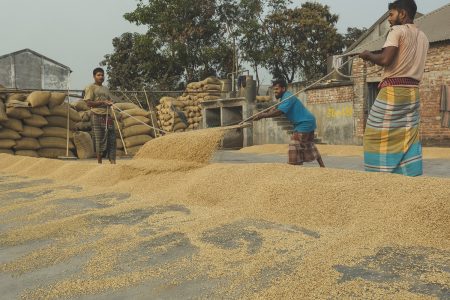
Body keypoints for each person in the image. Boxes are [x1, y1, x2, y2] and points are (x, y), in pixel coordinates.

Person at [359, 0, 429, 176]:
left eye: (391, 14)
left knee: (373, 136)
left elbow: (385, 60)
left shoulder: (396, 31)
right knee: (408, 136)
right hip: (413, 93)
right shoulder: (423, 37)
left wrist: (368, 55)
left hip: (392, 92)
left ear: (403, 14)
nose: (388, 19)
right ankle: (409, 175)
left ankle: (379, 175)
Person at [252, 79, 325, 168]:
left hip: (304, 123)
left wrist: (263, 115)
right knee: (309, 144)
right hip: (308, 121)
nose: (275, 92)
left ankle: (293, 169)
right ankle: (322, 166)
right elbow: (276, 109)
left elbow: (279, 112)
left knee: (294, 144)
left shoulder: (287, 98)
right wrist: (264, 113)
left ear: (283, 88)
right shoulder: (284, 98)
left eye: (277, 89)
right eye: (274, 90)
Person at [83, 67, 116, 164]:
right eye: (98, 75)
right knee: (99, 139)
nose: (101, 77)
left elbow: (109, 100)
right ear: (94, 77)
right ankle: (99, 163)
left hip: (107, 115)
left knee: (112, 139)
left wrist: (110, 102)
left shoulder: (106, 88)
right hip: (96, 115)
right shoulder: (91, 87)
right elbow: (88, 103)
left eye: (102, 75)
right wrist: (102, 102)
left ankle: (113, 162)